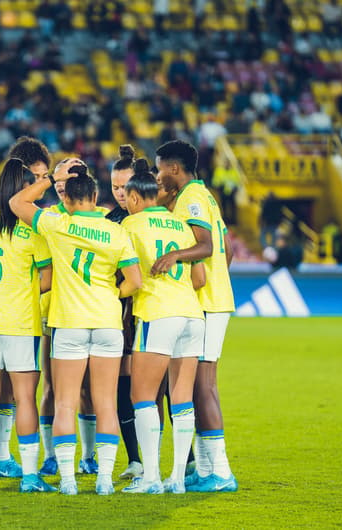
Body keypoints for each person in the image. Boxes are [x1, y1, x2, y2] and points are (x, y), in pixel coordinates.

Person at [10, 163, 142, 495]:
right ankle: (104, 481)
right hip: (108, 323)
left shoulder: (57, 224)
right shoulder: (116, 231)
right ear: (96, 196)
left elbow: (16, 204)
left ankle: (67, 480)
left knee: (66, 402)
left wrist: (44, 182)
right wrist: (114, 293)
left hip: (68, 323)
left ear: (67, 198)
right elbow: (135, 281)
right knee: (106, 403)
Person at [154, 140, 238, 493]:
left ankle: (220, 472)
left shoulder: (190, 197)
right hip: (213, 298)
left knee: (202, 386)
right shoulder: (203, 196)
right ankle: (205, 469)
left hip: (207, 303)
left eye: (160, 169)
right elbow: (228, 249)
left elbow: (207, 245)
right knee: (199, 384)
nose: (158, 176)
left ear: (174, 168)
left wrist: (175, 256)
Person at [120, 159, 207, 494]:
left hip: (157, 315)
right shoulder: (181, 225)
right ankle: (177, 479)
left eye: (127, 198)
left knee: (142, 397)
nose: (126, 204)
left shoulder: (131, 226)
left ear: (136, 198)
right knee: (182, 401)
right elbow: (199, 278)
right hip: (191, 315)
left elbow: (130, 277)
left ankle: (151, 478)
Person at [0, 158, 55, 493]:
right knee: (25, 399)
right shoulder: (33, 229)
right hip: (20, 322)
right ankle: (31, 476)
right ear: (23, 190)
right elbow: (46, 280)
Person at [36, 157, 107, 477]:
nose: (62, 190)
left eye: (68, 184)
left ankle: (89, 456)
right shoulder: (48, 216)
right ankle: (51, 455)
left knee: (89, 391)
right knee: (52, 388)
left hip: (91, 314)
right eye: (58, 183)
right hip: (54, 314)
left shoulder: (101, 216)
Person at [107, 144, 143, 481]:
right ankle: (135, 460)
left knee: (159, 389)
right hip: (120, 318)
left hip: (151, 312)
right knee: (122, 387)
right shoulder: (110, 222)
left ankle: (187, 460)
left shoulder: (155, 217)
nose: (120, 193)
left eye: (125, 186)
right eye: (115, 187)